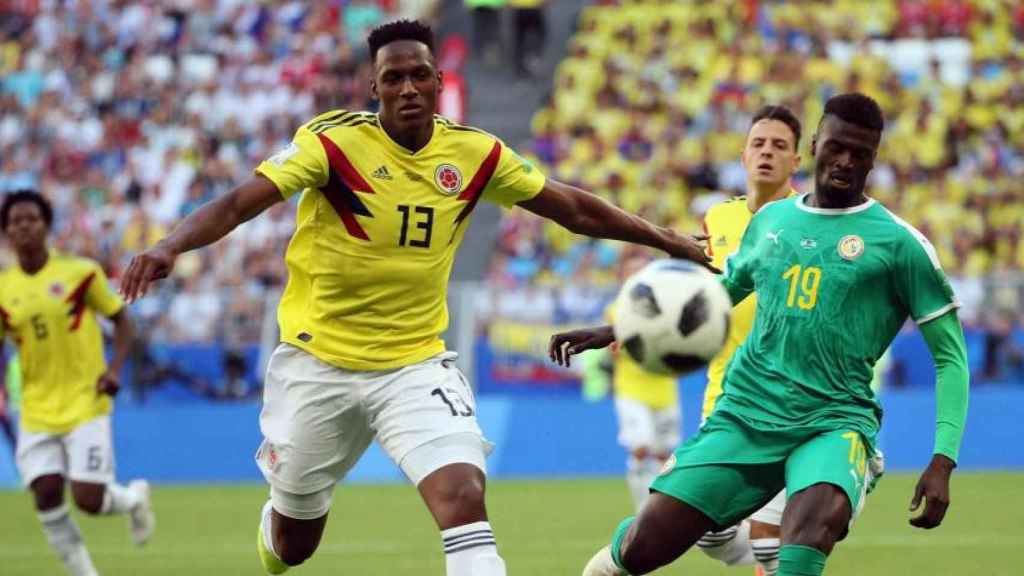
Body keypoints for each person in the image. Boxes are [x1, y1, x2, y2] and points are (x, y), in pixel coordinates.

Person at [118, 20, 712, 576]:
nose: (408, 88)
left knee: (464, 498)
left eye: (419, 75)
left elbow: (575, 208)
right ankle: (277, 522)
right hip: (317, 364)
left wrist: (668, 240)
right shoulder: (332, 145)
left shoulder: (475, 154)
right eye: (393, 78)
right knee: (294, 546)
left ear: (439, 81)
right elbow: (241, 201)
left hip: (414, 364)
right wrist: (171, 246)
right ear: (372, 87)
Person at [550, 93, 969, 576]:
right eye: (836, 147)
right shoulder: (770, 222)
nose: (846, 161)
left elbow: (950, 359)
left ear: (875, 158)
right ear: (815, 144)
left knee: (804, 538)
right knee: (643, 548)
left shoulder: (900, 245)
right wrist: (621, 328)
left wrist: (943, 460)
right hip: (745, 415)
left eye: (862, 153)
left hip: (833, 422)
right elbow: (720, 294)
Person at [0, 190, 155, 576]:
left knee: (88, 498)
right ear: (6, 231)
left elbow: (123, 321)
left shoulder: (80, 273)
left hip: (86, 398)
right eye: (15, 221)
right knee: (46, 493)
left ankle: (133, 500)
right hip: (36, 405)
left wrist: (115, 369)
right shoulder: (4, 290)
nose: (23, 227)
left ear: (46, 225)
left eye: (31, 219)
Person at [605, 251, 681, 512]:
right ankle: (643, 511)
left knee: (665, 455)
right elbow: (613, 350)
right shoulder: (616, 310)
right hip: (632, 389)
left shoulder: (669, 310)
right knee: (641, 447)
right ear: (623, 277)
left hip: (664, 388)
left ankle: (664, 511)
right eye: (633, 271)